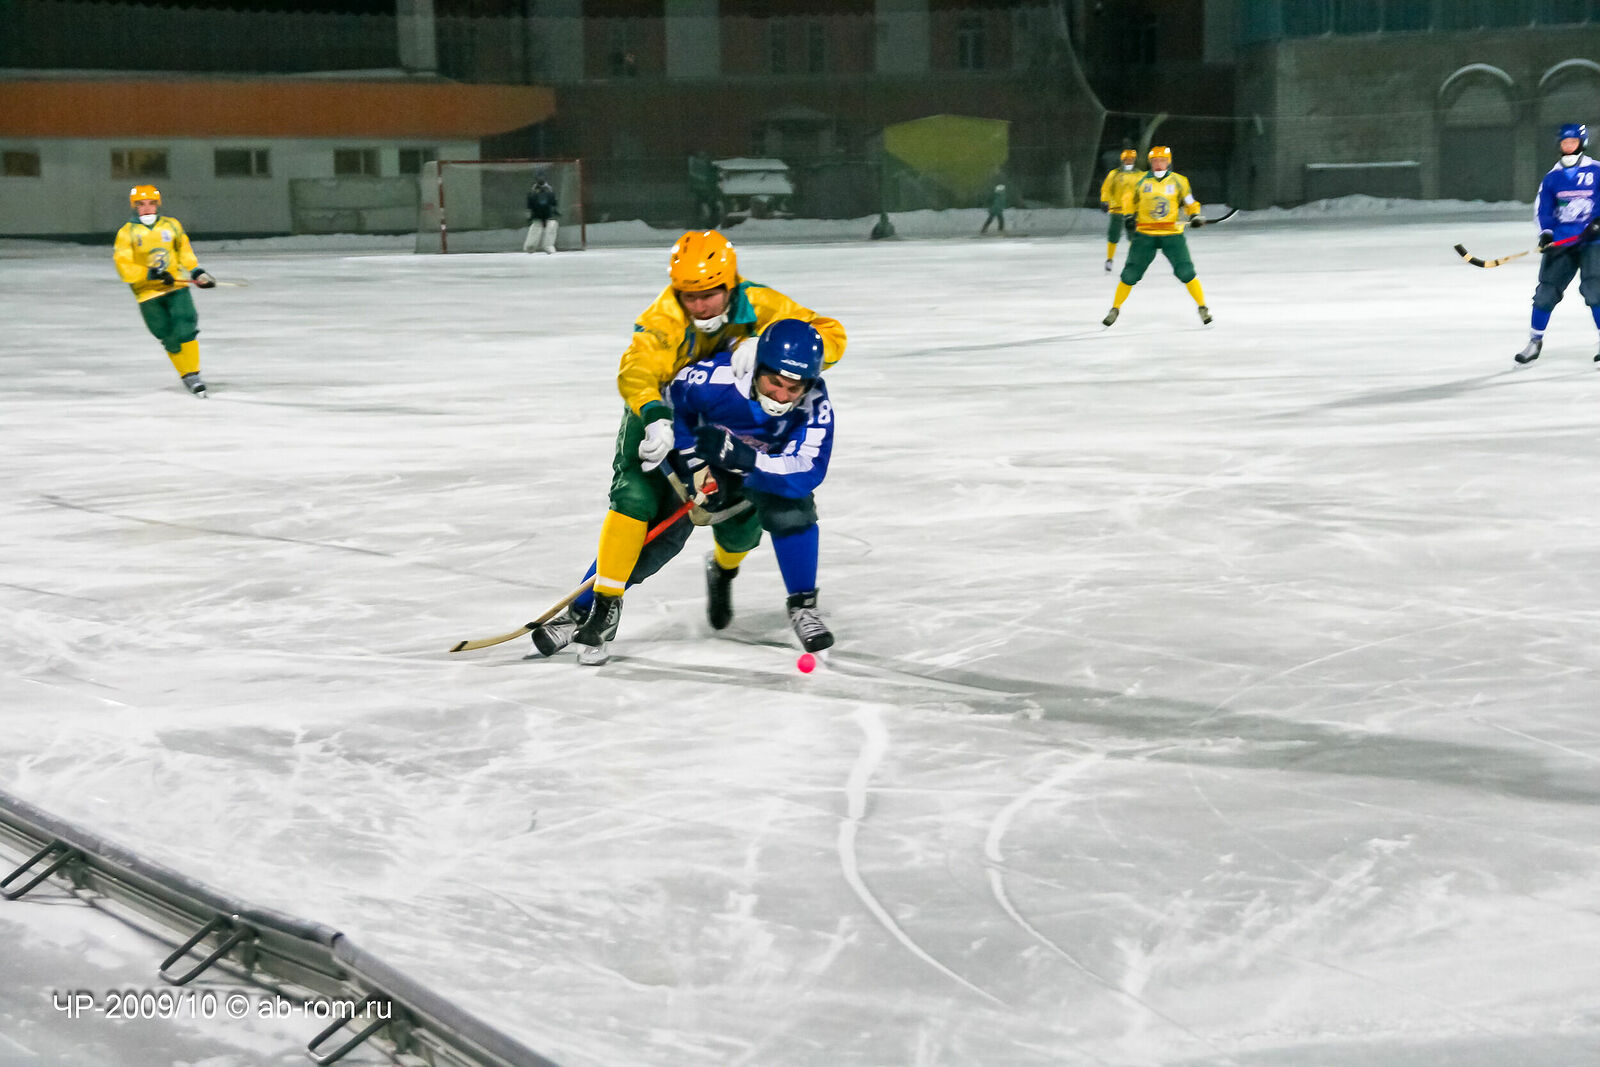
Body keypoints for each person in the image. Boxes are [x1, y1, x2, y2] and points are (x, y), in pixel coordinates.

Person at [526, 230, 846, 665]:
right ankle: (592, 608)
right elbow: (642, 372)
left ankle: (742, 577)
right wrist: (665, 427)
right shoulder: (666, 321)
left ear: (730, 284)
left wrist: (769, 348)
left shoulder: (765, 309)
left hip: (738, 429)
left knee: (750, 523)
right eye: (688, 296)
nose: (699, 306)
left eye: (709, 294)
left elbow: (828, 336)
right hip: (666, 411)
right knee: (642, 507)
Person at [112, 184, 218, 397]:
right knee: (166, 334)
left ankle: (193, 375)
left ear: (157, 204)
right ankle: (186, 374)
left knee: (186, 324)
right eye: (141, 204)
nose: (147, 208)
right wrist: (148, 274)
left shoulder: (171, 225)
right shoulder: (126, 233)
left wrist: (196, 272)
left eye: (151, 203)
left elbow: (184, 251)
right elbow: (124, 265)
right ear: (134, 206)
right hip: (147, 294)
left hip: (176, 287)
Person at [1513, 123, 1600, 365]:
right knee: (1546, 292)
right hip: (1563, 241)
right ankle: (1534, 342)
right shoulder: (1553, 177)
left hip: (1593, 242)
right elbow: (1543, 208)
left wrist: (1598, 222)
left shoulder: (1596, 170)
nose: (1569, 146)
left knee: (1594, 290)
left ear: (1582, 143)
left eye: (1573, 142)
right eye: (1565, 143)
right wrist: (1547, 233)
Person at [1101, 146, 1211, 327]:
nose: (1158, 164)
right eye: (1155, 161)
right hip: (1146, 235)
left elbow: (1189, 201)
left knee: (1186, 271)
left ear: (1168, 162)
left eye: (1162, 161)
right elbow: (1128, 200)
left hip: (1172, 235)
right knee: (1130, 274)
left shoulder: (1179, 181)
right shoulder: (1140, 181)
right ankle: (1115, 308)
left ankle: (1202, 307)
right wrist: (1129, 216)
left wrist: (1194, 215)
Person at [1099, 148, 1142, 272]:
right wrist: (1104, 200)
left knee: (1133, 235)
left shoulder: (1139, 174)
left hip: (1132, 211)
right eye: (1127, 159)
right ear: (1122, 160)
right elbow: (1106, 188)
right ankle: (1109, 259)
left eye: (1131, 159)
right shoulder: (1115, 174)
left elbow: (1144, 190)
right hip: (1117, 209)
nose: (1129, 161)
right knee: (1113, 234)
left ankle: (1133, 260)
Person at [522, 176, 559, 254]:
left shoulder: (547, 193)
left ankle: (544, 246)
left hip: (546, 217)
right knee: (542, 228)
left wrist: (529, 216)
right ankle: (533, 246)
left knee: (548, 226)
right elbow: (554, 204)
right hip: (541, 217)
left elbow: (553, 204)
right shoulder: (534, 194)